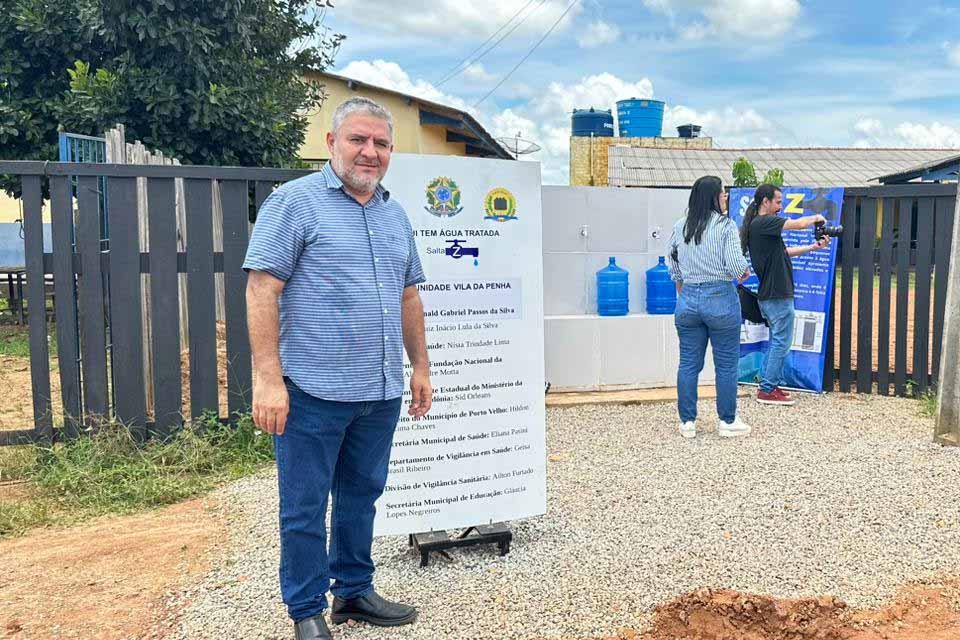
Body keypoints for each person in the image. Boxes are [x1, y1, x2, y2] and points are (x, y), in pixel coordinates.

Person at [243, 96, 433, 640]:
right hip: (312, 390)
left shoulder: (394, 214)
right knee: (304, 507)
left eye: (380, 143)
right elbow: (262, 288)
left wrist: (419, 366)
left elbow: (407, 296)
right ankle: (306, 610)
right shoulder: (293, 204)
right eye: (358, 139)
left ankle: (353, 591)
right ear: (331, 143)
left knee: (361, 495)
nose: (369, 152)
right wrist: (267, 378)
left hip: (377, 390)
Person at [667, 176, 752, 439]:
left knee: (688, 364)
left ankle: (687, 422)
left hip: (689, 298)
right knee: (726, 364)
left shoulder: (680, 226)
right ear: (714, 197)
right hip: (721, 298)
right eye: (724, 193)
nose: (726, 198)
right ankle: (727, 421)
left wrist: (686, 291)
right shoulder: (725, 226)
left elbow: (673, 267)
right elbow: (738, 267)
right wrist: (743, 274)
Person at [739, 183, 830, 406]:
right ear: (765, 202)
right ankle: (767, 389)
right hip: (776, 295)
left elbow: (784, 252)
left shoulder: (759, 226)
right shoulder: (764, 222)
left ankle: (768, 384)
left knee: (777, 341)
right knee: (781, 341)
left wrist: (813, 248)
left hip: (773, 295)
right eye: (778, 201)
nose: (781, 206)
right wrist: (817, 217)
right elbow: (798, 224)